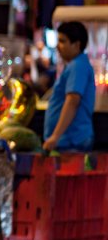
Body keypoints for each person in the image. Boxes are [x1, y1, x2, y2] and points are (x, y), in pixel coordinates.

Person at [42, 21, 95, 152]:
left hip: (72, 142)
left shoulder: (78, 66)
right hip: (68, 141)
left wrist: (55, 136)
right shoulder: (75, 65)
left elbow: (72, 101)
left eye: (62, 41)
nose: (57, 46)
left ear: (77, 45)